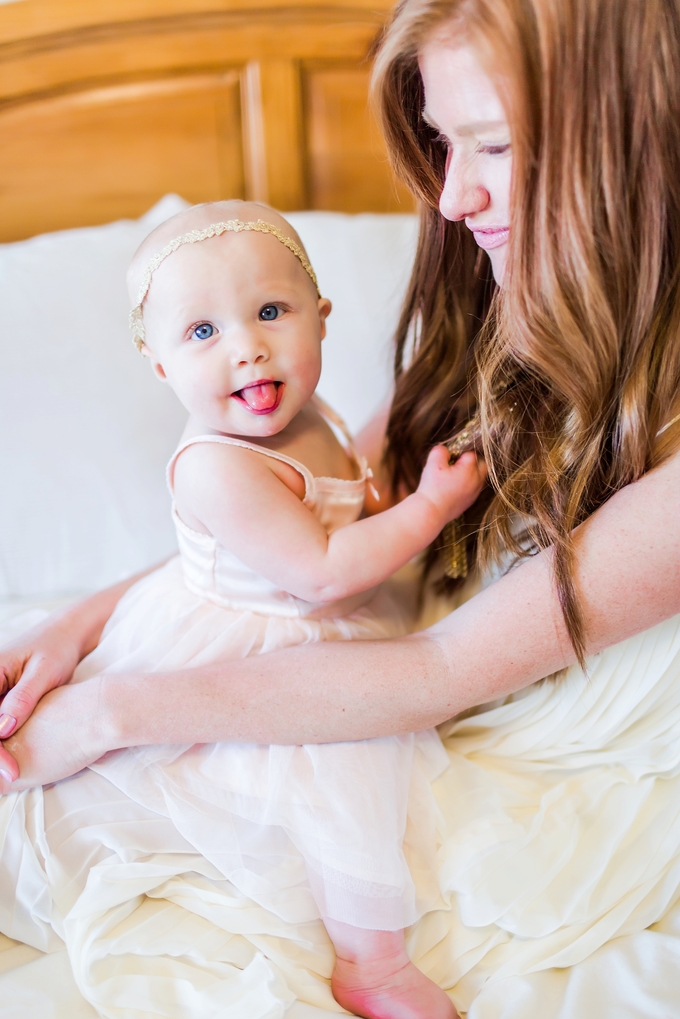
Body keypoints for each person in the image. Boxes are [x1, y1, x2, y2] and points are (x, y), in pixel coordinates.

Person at [1, 0, 680, 1014]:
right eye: (441, 142)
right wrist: (80, 621)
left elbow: (437, 670)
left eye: (491, 142)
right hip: (377, 672)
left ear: (637, 139)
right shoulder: (515, 305)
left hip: (474, 729)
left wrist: (108, 713)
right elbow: (294, 530)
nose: (451, 195)